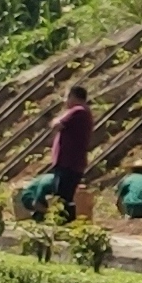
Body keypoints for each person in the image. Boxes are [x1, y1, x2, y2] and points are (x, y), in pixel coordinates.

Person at [45, 87, 94, 225]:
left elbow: (56, 124)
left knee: (62, 198)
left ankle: (64, 225)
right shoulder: (80, 112)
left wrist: (58, 118)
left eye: (66, 97)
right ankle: (66, 224)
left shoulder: (78, 111)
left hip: (68, 163)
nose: (64, 101)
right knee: (63, 197)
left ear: (73, 96)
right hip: (69, 162)